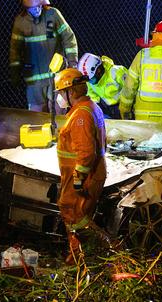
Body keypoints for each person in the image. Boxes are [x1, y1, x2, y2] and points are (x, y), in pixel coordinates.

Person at [54, 68, 110, 264]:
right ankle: (78, 255)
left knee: (75, 214)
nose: (60, 97)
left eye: (62, 92)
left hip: (84, 175)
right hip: (86, 174)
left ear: (73, 91)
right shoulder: (88, 108)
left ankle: (103, 247)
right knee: (74, 213)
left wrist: (78, 179)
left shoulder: (81, 116)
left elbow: (86, 153)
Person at [9, 0, 78, 113]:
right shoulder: (20, 22)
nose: (37, 9)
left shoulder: (53, 14)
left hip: (57, 77)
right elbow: (15, 51)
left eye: (39, 6)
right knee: (37, 118)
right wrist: (15, 74)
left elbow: (69, 38)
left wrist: (72, 63)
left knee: (59, 115)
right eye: (33, 8)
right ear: (26, 7)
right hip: (34, 81)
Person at [77, 53, 127, 119]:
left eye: (91, 79)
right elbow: (94, 99)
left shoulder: (116, 72)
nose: (90, 82)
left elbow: (130, 89)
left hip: (125, 106)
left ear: (98, 71)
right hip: (108, 109)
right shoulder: (89, 81)